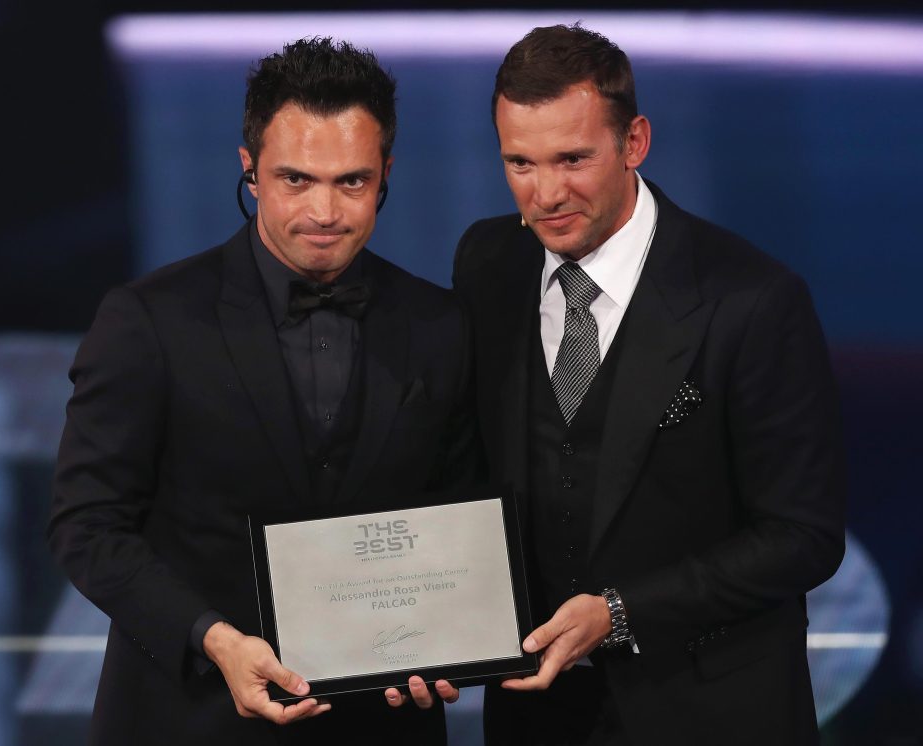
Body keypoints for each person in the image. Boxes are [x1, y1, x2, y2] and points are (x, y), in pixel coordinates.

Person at [48, 37, 468, 745]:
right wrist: (212, 639)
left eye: (353, 182)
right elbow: (85, 523)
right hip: (190, 717)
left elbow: (460, 513)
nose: (326, 212)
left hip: (379, 725)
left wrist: (449, 637)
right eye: (296, 180)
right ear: (250, 171)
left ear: (387, 174)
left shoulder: (441, 324)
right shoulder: (150, 320)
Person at [450, 24, 846, 745]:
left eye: (573, 159)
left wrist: (621, 611)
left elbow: (804, 536)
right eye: (520, 162)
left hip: (709, 711)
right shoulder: (487, 261)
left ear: (634, 143)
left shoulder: (750, 300)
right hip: (538, 716)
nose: (546, 194)